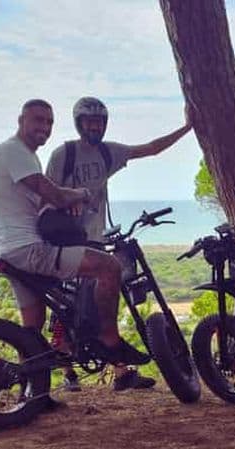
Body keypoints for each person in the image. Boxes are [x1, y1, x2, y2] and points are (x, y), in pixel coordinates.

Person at [0, 99, 150, 378]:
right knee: (109, 267)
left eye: (49, 122)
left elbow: (41, 202)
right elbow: (56, 194)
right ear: (20, 120)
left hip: (5, 251)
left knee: (33, 326)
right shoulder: (14, 151)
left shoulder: (21, 155)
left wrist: (63, 204)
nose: (44, 127)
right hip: (29, 250)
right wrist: (82, 194)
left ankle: (34, 392)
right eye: (37, 120)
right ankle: (110, 341)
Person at [46, 96, 192, 392]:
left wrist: (188, 127)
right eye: (89, 121)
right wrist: (68, 201)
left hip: (95, 239)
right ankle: (68, 373)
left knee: (96, 301)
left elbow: (151, 149)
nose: (95, 126)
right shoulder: (64, 154)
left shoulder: (108, 153)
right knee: (67, 305)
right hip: (66, 239)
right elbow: (45, 192)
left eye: (99, 121)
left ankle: (121, 372)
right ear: (79, 123)